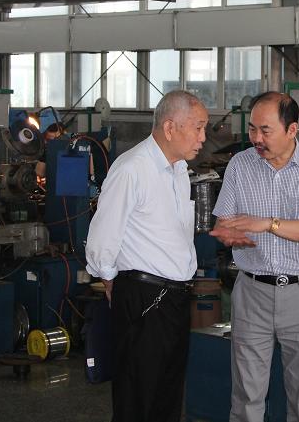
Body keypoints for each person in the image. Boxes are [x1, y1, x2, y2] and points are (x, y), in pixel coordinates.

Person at [210, 91, 299, 422]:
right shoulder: (240, 165)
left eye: (265, 130)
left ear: (292, 130)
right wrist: (228, 233)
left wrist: (267, 224)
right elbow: (224, 222)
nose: (256, 138)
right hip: (252, 292)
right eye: (252, 129)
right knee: (246, 396)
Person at [85, 90, 208, 422]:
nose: (203, 138)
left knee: (167, 397)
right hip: (143, 298)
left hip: (174, 299)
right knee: (137, 396)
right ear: (169, 127)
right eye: (197, 128)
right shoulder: (132, 169)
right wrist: (108, 277)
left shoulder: (178, 171)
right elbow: (103, 233)